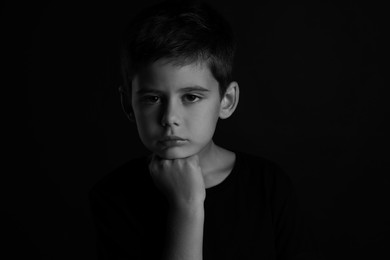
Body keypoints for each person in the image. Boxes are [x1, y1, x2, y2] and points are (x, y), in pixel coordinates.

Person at [88, 1, 322, 259]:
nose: (170, 118)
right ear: (127, 104)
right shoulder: (114, 197)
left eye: (191, 97)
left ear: (227, 100)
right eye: (152, 99)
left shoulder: (268, 187)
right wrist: (186, 208)